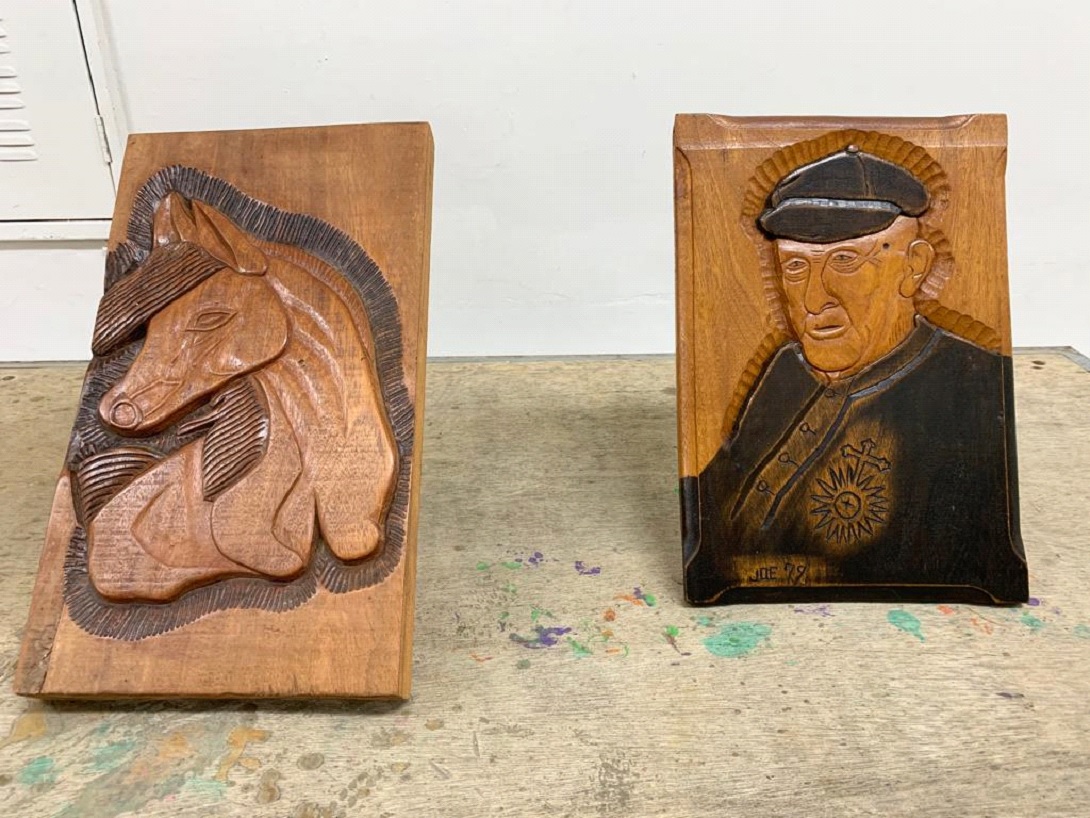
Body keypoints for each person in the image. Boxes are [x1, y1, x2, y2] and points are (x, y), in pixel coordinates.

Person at [683, 145, 1027, 604]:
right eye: (795, 266)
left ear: (914, 267)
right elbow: (713, 502)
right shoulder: (786, 370)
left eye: (844, 261)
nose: (813, 300)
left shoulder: (974, 385)